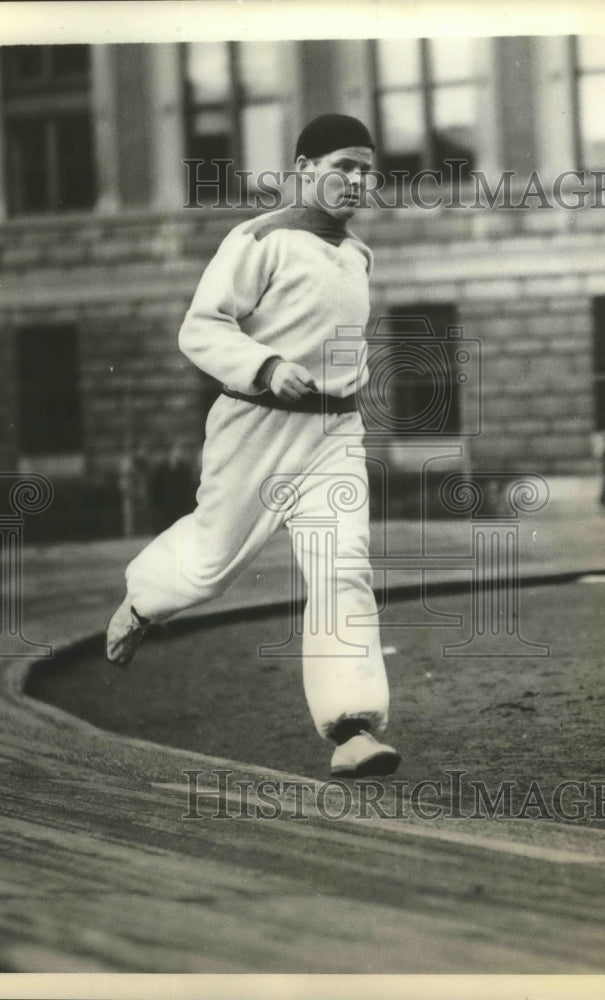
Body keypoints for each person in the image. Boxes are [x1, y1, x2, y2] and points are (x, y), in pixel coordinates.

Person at [106, 113, 399, 778]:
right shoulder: (259, 238)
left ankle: (353, 729)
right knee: (210, 562)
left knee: (343, 567)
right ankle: (144, 599)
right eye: (342, 167)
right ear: (303, 170)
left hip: (335, 435)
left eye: (365, 169)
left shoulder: (357, 254)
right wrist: (265, 366)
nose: (357, 180)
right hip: (255, 427)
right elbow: (201, 329)